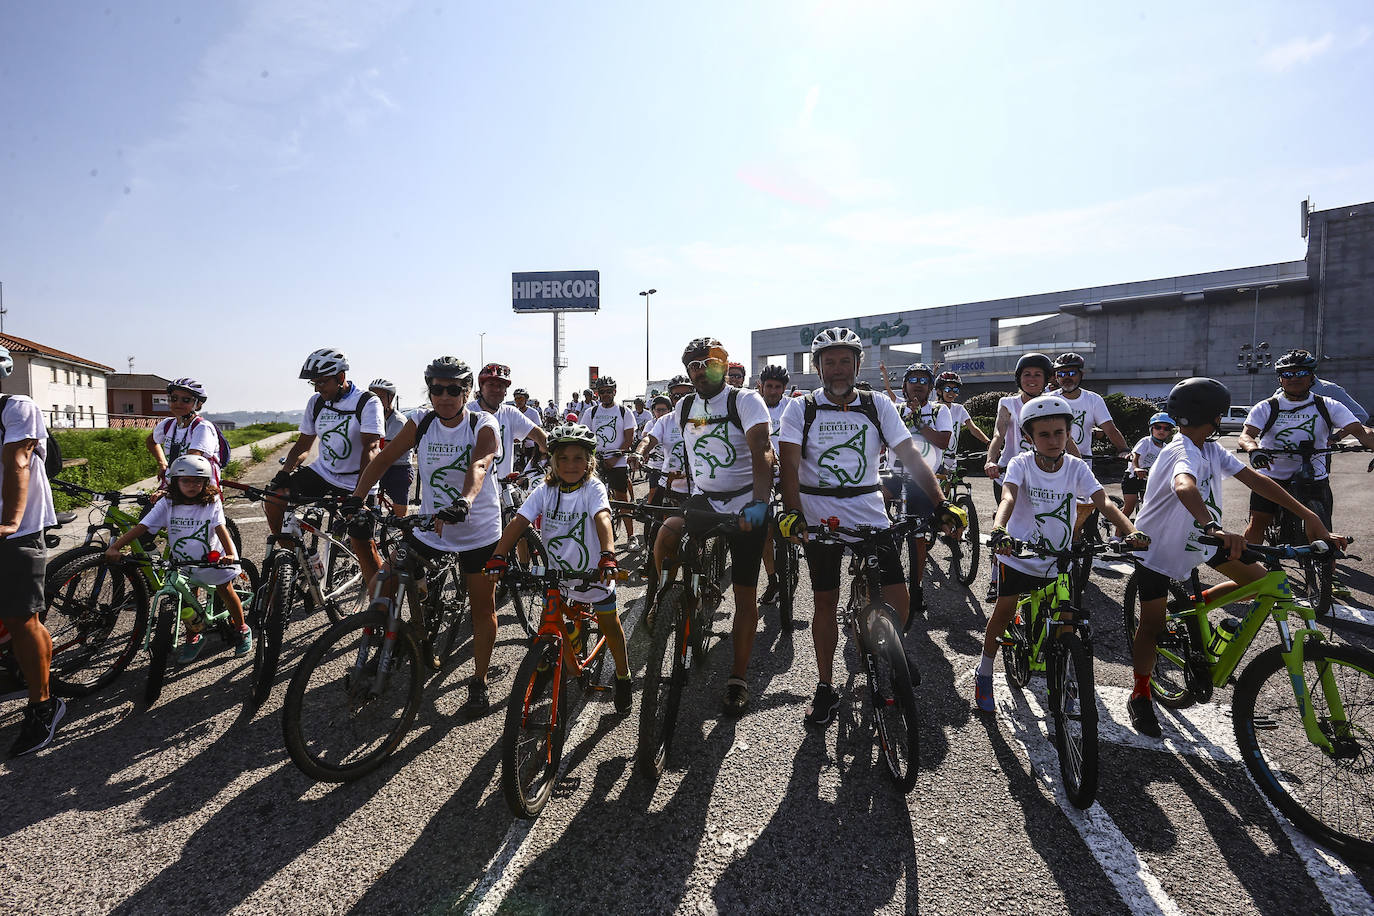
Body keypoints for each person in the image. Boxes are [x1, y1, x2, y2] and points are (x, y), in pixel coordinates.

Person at [1127, 377, 1344, 736]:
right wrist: (1213, 525)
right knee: (1151, 625)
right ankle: (1140, 693)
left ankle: (1193, 607)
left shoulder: (1211, 449)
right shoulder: (1181, 450)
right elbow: (1185, 485)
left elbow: (1258, 480)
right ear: (1215, 416)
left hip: (1202, 539)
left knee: (1264, 584)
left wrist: (1310, 515)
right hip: (1159, 547)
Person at [778, 329, 962, 727]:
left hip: (868, 511)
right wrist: (792, 514)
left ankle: (894, 648)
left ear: (857, 365)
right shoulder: (801, 408)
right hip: (818, 514)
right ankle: (826, 686)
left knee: (901, 598)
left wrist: (941, 502)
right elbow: (789, 466)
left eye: (845, 361)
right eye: (830, 362)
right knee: (824, 602)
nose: (838, 369)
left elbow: (910, 454)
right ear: (818, 367)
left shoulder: (877, 405)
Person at [346, 357, 502, 716]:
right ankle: (396, 636)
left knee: (482, 607)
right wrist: (356, 500)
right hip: (433, 525)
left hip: (477, 527)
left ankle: (478, 681)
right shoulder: (421, 421)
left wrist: (465, 502)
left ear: (466, 392)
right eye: (437, 389)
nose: (444, 396)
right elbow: (383, 459)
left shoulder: (483, 422)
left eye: (453, 389)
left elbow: (480, 464)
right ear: (429, 390)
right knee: (389, 578)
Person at [974, 394, 1142, 713]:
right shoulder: (1022, 464)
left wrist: (1130, 530)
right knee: (1006, 608)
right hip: (1019, 553)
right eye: (1044, 434)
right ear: (1029, 437)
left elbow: (1104, 501)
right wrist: (999, 530)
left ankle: (1064, 675)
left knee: (1067, 616)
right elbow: (1007, 498)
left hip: (1059, 557)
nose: (1053, 440)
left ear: (1069, 433)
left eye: (1059, 433)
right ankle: (984, 672)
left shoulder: (1076, 467)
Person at [485, 423, 632, 713]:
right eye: (562, 458)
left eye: (578, 458)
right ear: (553, 461)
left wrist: (608, 556)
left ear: (590, 461)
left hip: (593, 574)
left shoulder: (593, 487)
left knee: (609, 624)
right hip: (558, 576)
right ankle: (543, 665)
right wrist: (499, 555)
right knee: (547, 622)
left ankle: (623, 675)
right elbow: (519, 522)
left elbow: (602, 518)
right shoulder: (546, 489)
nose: (570, 464)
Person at [662, 337, 774, 715]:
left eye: (708, 363)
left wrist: (760, 506)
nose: (700, 370)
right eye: (693, 365)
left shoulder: (744, 400)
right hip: (706, 498)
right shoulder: (684, 406)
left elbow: (763, 452)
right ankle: (666, 601)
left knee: (744, 594)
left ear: (724, 366)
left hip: (746, 501)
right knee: (665, 534)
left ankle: (738, 678)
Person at [105, 455, 250, 662]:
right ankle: (194, 635)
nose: (192, 486)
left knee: (225, 590)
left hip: (213, 558)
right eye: (186, 481)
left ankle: (242, 628)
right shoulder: (168, 502)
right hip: (183, 560)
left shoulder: (211, 501)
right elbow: (142, 526)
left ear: (205, 482)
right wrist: (116, 546)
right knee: (186, 598)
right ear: (175, 481)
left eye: (197, 481)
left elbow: (220, 527)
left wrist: (230, 554)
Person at [0, 346, 64, 757]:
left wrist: (10, 521)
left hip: (17, 529)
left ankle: (43, 705)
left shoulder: (18, 407)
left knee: (22, 617)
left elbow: (18, 459)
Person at [266, 348, 383, 547]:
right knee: (274, 500)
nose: (317, 389)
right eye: (314, 383)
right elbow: (303, 445)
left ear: (340, 376)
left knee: (362, 544)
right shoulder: (316, 402)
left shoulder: (367, 402)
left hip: (357, 478)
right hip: (324, 472)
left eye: (321, 382)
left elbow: (371, 448)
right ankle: (295, 560)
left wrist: (359, 495)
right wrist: (284, 473)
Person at [983, 352, 1053, 602]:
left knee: (1043, 524)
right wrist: (991, 460)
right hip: (1008, 474)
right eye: (1027, 374)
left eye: (1037, 374)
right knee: (1006, 527)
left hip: (1042, 476)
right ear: (1019, 378)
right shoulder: (1008, 403)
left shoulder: (1054, 403)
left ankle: (1039, 573)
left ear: (1046, 379)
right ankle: (996, 577)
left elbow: (1066, 438)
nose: (1032, 379)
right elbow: (998, 436)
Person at [889, 362, 952, 616]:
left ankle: (916, 588)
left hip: (923, 478)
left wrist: (920, 423)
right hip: (894, 473)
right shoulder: (894, 409)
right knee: (875, 515)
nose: (917, 384)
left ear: (930, 387)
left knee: (918, 536)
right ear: (904, 386)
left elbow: (943, 441)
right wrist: (907, 417)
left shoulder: (939, 410)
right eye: (912, 379)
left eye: (923, 380)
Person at [1049, 353, 1130, 538]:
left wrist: (1123, 450)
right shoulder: (1049, 399)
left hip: (1082, 466)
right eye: (1061, 374)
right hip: (1053, 465)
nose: (1066, 377)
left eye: (1071, 372)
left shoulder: (1093, 400)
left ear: (1081, 375)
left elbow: (1110, 428)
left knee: (1086, 514)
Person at [581, 376, 638, 547]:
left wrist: (614, 458)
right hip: (596, 459)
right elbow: (583, 436)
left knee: (622, 499)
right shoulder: (590, 412)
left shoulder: (623, 411)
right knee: (589, 497)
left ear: (614, 391)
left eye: (608, 391)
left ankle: (631, 536)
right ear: (597, 394)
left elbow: (629, 440)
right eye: (602, 392)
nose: (605, 394)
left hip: (618, 459)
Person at [469, 364, 547, 482]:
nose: (496, 390)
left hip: (503, 488)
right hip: (472, 489)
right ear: (481, 387)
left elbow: (537, 434)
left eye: (500, 386)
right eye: (491, 385)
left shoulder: (510, 413)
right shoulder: (468, 412)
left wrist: (556, 454)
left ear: (506, 391)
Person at [756, 364, 790, 605]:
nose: (773, 391)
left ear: (784, 389)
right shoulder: (751, 405)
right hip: (762, 476)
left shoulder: (793, 407)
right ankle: (772, 580)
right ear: (761, 386)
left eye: (778, 387)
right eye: (769, 386)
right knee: (765, 533)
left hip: (789, 475)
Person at [146, 378, 222, 484]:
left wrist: (169, 490)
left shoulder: (202, 428)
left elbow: (191, 462)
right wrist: (162, 464)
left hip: (199, 490)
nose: (178, 403)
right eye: (174, 399)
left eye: (186, 400)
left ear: (198, 404)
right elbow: (151, 441)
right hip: (174, 488)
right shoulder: (167, 425)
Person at [367, 379, 413, 518]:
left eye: (380, 397)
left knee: (400, 513)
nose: (376, 401)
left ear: (390, 398)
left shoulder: (397, 420)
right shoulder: (374, 417)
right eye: (372, 396)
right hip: (380, 465)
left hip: (398, 468)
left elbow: (386, 449)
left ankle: (407, 536)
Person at [1121, 412, 1176, 520]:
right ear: (1152, 429)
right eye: (1158, 427)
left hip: (1149, 480)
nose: (1161, 431)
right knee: (1130, 506)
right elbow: (1135, 456)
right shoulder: (1146, 441)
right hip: (1133, 477)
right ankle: (1117, 536)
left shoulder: (1166, 447)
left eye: (1166, 429)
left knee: (1149, 507)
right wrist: (1136, 468)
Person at [934, 370, 989, 473]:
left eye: (955, 390)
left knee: (949, 487)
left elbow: (973, 429)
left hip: (950, 460)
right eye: (948, 389)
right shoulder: (932, 408)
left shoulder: (959, 409)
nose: (952, 393)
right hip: (933, 459)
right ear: (939, 391)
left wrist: (989, 443)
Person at [512, 387, 543, 472]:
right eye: (516, 399)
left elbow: (538, 429)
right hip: (517, 445)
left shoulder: (533, 413)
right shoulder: (513, 413)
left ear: (526, 399)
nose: (518, 401)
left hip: (530, 444)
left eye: (521, 398)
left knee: (531, 466)